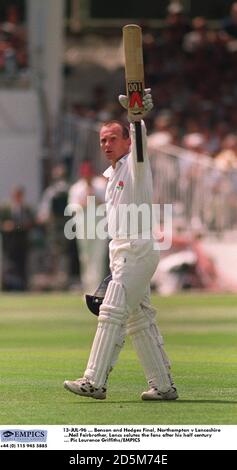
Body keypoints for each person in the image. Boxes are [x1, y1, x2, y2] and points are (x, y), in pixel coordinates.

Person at [64, 89, 178, 401]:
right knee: (139, 319)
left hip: (136, 249)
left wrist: (137, 119)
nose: (107, 145)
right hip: (122, 251)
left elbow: (141, 147)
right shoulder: (112, 174)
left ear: (127, 142)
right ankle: (163, 386)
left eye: (113, 138)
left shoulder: (135, 165)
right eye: (103, 140)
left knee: (112, 312)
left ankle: (94, 381)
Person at [68, 160, 108, 293]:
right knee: (85, 258)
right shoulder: (76, 188)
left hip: (100, 227)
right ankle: (87, 289)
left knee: (98, 257)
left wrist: (96, 199)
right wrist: (83, 202)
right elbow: (71, 208)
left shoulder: (101, 185)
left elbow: (109, 204)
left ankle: (97, 289)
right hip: (83, 228)